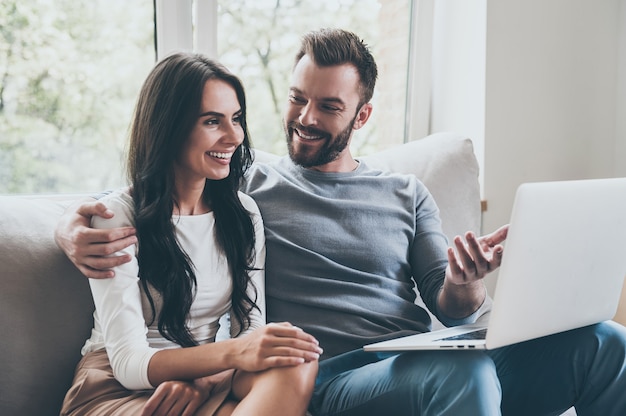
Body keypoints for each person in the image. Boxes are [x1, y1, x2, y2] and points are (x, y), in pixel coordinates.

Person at [56, 29, 626, 415]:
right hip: (337, 377)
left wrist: (466, 279)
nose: (305, 119)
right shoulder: (245, 186)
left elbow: (451, 305)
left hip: (425, 356)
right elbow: (154, 187)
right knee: (465, 378)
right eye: (297, 99)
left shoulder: (406, 193)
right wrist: (71, 230)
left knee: (605, 342)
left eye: (328, 107)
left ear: (363, 114)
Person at [59, 52, 321, 416]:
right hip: (118, 385)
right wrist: (229, 355)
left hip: (207, 374)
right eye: (212, 121)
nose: (233, 136)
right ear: (168, 128)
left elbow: (250, 326)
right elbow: (129, 363)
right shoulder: (117, 217)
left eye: (236, 119)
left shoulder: (243, 213)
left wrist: (208, 377)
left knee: (296, 358)